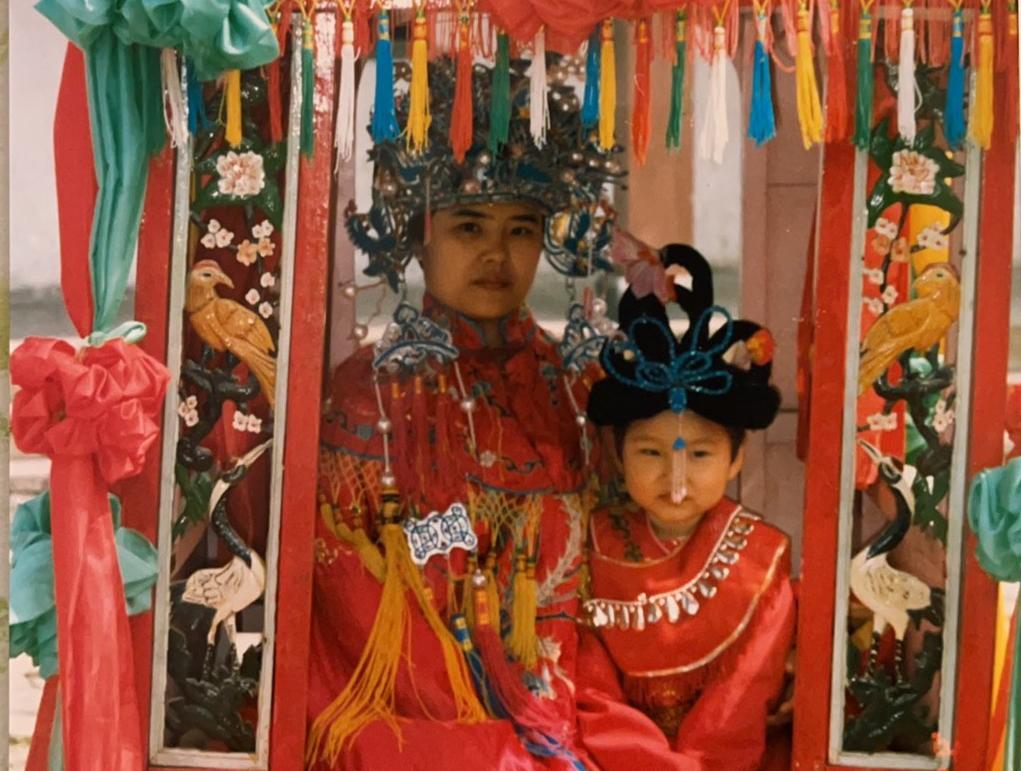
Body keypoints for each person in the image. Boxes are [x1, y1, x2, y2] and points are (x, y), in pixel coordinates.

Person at [307, 56, 618, 770]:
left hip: (572, 694)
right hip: (426, 707)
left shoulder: (578, 386)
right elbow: (357, 596)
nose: (496, 255)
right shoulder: (371, 395)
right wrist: (504, 724)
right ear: (419, 237)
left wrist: (557, 703)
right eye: (469, 227)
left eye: (520, 230)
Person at [575, 240, 796, 771]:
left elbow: (742, 697)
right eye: (649, 451)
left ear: (737, 458)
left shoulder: (764, 558)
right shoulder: (587, 544)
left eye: (700, 454)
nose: (676, 479)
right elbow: (590, 688)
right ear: (616, 453)